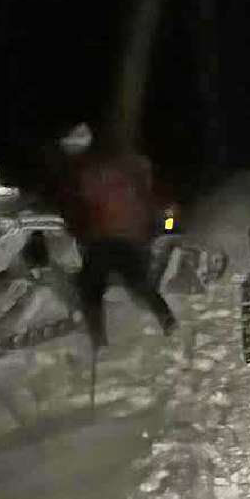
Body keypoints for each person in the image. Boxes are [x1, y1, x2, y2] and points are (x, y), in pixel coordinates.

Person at [56, 123, 176, 348]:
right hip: (129, 236)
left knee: (90, 288)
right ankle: (167, 320)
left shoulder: (85, 171)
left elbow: (82, 208)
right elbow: (158, 204)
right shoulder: (115, 168)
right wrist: (161, 228)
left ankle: (98, 339)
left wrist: (77, 230)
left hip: (106, 237)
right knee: (137, 281)